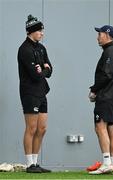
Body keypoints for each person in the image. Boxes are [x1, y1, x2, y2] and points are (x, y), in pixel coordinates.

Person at [17, 15, 52, 173]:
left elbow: (50, 70)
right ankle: (29, 164)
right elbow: (34, 74)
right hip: (29, 93)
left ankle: (36, 163)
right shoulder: (24, 49)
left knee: (42, 128)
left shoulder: (41, 48)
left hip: (42, 92)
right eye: (39, 30)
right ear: (31, 31)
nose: (42, 33)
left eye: (42, 30)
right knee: (31, 128)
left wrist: (43, 68)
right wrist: (43, 69)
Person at [88, 25, 113, 174]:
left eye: (100, 34)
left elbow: (106, 75)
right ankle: (112, 163)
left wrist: (94, 90)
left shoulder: (110, 51)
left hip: (105, 97)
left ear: (108, 35)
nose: (98, 37)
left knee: (100, 127)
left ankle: (106, 163)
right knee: (111, 128)